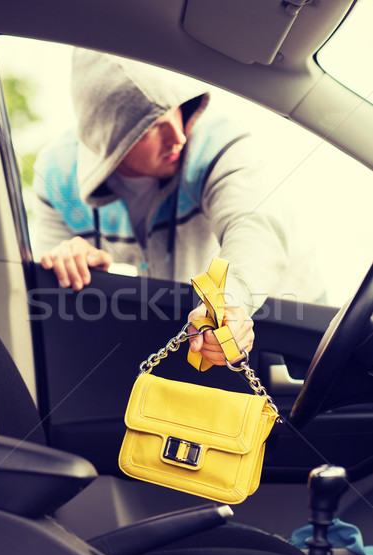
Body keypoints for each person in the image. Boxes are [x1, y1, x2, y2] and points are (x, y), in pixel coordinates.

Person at [32, 48, 292, 365]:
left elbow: (253, 228)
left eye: (177, 109)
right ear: (110, 137)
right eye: (152, 126)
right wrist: (72, 263)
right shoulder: (55, 174)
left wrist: (230, 304)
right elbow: (51, 303)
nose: (178, 135)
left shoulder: (219, 142)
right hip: (138, 348)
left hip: (266, 320)